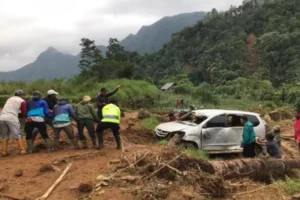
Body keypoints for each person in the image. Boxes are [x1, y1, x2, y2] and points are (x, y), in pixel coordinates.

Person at [0, 90, 27, 156]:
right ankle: (22, 150)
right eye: (23, 95)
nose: (24, 96)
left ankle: (4, 152)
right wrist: (24, 116)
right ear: (21, 95)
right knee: (18, 135)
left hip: (2, 117)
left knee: (5, 135)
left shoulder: (9, 99)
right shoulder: (22, 101)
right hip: (12, 118)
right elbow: (24, 112)